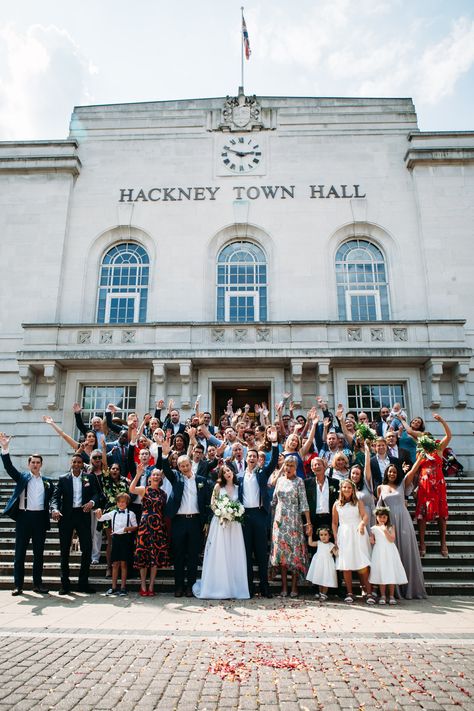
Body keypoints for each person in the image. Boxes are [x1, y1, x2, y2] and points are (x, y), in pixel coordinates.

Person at [0, 433, 55, 595]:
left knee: (38, 554)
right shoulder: (22, 478)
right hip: (24, 517)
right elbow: (9, 467)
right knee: (19, 554)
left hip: (39, 518)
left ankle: (38, 584)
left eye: (38, 462)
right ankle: (18, 585)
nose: (35, 465)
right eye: (33, 462)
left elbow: (51, 500)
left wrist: (54, 509)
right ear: (29, 464)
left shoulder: (47, 482)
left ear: (41, 465)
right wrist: (5, 448)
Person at [160, 435, 214, 597]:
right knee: (178, 556)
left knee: (192, 556)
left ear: (191, 464)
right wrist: (164, 454)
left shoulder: (201, 480)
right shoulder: (176, 478)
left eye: (186, 465)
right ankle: (179, 586)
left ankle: (190, 586)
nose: (184, 467)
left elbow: (207, 502)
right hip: (179, 521)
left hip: (195, 522)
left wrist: (206, 521)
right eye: (181, 466)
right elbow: (166, 469)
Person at [193, 462, 249, 599]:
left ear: (233, 472)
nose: (227, 473)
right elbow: (213, 503)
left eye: (229, 471)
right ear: (222, 475)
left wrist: (235, 513)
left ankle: (235, 588)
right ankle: (218, 587)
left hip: (234, 525)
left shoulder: (238, 487)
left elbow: (241, 504)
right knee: (220, 553)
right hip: (221, 523)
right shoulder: (218, 486)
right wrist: (222, 513)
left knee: (233, 554)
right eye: (224, 472)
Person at [238, 426, 279, 598]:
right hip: (245, 516)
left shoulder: (262, 473)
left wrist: (275, 442)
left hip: (260, 515)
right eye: (250, 456)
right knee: (246, 554)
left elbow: (274, 460)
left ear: (258, 459)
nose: (253, 458)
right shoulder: (239, 476)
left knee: (261, 554)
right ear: (247, 458)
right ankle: (248, 587)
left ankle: (264, 586)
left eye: (255, 456)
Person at [377, 460, 427, 599]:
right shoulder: (380, 487)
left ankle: (410, 589)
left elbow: (412, 471)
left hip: (404, 521)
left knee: (406, 552)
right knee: (393, 555)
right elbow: (379, 509)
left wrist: (420, 458)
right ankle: (394, 591)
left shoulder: (402, 484)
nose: (392, 474)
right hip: (389, 523)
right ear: (386, 473)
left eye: (394, 471)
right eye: (390, 471)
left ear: (397, 473)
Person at [51, 454, 99, 594]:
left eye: (79, 462)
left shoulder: (89, 478)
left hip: (83, 515)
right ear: (71, 463)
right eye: (74, 462)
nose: (77, 464)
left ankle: (82, 583)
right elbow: (55, 497)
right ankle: (64, 584)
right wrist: (54, 509)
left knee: (87, 548)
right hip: (67, 516)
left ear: (82, 464)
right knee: (64, 550)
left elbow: (97, 494)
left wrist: (92, 502)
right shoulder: (63, 479)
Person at [269, 456, 312, 598]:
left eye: (291, 465)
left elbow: (304, 503)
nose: (288, 468)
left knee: (294, 556)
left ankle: (294, 587)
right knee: (282, 556)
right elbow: (274, 501)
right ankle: (283, 587)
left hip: (294, 522)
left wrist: (308, 522)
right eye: (286, 465)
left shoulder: (299, 481)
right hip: (279, 522)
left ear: (296, 467)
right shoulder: (280, 480)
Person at [130, 466, 171, 596]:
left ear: (161, 478)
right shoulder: (144, 490)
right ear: (150, 477)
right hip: (145, 525)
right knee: (143, 556)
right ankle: (143, 586)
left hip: (158, 527)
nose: (156, 477)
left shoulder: (163, 493)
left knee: (155, 557)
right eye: (154, 474)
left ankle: (151, 586)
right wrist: (137, 475)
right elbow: (131, 489)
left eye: (158, 475)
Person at [415, 414, 452, 557]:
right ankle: (422, 543)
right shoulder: (420, 452)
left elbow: (448, 435)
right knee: (422, 514)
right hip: (424, 485)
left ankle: (443, 542)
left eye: (428, 438)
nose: (427, 440)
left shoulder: (438, 449)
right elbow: (416, 469)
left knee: (442, 514)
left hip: (438, 484)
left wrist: (441, 420)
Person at [332, 479, 373, 604]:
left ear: (353, 489)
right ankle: (349, 592)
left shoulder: (358, 502)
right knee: (346, 564)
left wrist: (362, 524)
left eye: (349, 488)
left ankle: (369, 593)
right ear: (341, 489)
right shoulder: (336, 505)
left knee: (363, 562)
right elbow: (334, 522)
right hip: (344, 534)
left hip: (358, 533)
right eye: (344, 487)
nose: (347, 490)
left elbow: (365, 516)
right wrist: (335, 537)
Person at [95, 493, 138, 596]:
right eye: (119, 502)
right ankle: (113, 587)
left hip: (126, 539)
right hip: (116, 539)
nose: (121, 504)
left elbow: (135, 526)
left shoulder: (130, 514)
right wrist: (98, 512)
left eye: (123, 502)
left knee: (124, 563)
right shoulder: (113, 513)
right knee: (115, 564)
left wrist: (127, 529)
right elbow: (100, 518)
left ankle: (123, 587)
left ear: (127, 503)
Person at [369, 506, 407, 605]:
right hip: (379, 552)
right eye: (380, 517)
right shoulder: (373, 528)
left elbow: (392, 539)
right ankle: (382, 595)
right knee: (381, 573)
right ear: (376, 517)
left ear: (387, 518)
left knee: (390, 572)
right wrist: (370, 538)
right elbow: (372, 541)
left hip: (390, 551)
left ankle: (391, 595)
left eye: (384, 517)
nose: (382, 519)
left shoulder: (390, 527)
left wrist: (385, 530)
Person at [101, 462, 130, 576]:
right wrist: (103, 448)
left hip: (123, 514)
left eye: (117, 469)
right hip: (110, 514)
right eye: (113, 469)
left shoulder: (124, 482)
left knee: (122, 542)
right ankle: (109, 567)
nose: (114, 471)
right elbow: (104, 466)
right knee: (111, 541)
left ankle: (122, 570)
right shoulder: (107, 481)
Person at [306, 527, 338, 601]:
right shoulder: (319, 543)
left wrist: (339, 547)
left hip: (327, 565)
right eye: (321, 535)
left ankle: (324, 594)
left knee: (325, 579)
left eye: (325, 534)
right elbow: (310, 543)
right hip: (319, 564)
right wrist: (310, 535)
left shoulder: (331, 545)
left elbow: (336, 554)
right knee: (320, 579)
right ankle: (320, 592)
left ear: (329, 536)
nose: (323, 536)